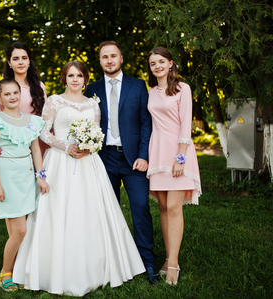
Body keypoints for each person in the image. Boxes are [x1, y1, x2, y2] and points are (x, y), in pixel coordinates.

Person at [12, 61, 145, 296]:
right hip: (60, 162)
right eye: (71, 75)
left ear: (85, 79)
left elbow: (98, 133)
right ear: (64, 78)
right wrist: (67, 147)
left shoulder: (93, 104)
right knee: (59, 211)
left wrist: (89, 147)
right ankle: (52, 268)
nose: (75, 79)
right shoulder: (54, 100)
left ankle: (96, 268)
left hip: (88, 164)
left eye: (80, 75)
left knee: (89, 211)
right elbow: (43, 131)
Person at [85, 41, 158, 284]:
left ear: (121, 58)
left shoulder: (137, 85)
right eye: (104, 57)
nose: (109, 60)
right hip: (103, 158)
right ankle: (111, 261)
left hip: (133, 159)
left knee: (140, 208)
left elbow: (146, 123)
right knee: (107, 211)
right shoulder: (91, 89)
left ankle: (147, 262)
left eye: (113, 56)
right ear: (100, 61)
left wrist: (143, 155)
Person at [0, 78, 49, 291]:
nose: (12, 97)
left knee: (18, 230)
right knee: (20, 231)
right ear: (0, 98)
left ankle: (19, 270)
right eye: (7, 94)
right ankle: (5, 274)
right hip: (7, 177)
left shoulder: (31, 120)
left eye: (15, 93)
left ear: (21, 95)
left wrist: (41, 175)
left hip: (27, 176)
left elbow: (36, 150)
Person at [146, 46, 201, 285]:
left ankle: (174, 266)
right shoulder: (150, 92)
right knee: (164, 208)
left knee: (175, 208)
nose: (157, 66)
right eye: (152, 63)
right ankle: (168, 259)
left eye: (161, 62)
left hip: (178, 152)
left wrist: (181, 157)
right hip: (157, 152)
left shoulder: (182, 88)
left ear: (170, 63)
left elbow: (185, 125)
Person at [0, 42, 48, 155]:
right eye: (16, 58)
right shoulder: (3, 87)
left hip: (36, 141)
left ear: (29, 61)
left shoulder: (39, 86)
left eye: (24, 58)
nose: (21, 62)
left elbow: (45, 116)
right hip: (12, 141)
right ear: (9, 62)